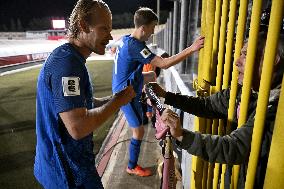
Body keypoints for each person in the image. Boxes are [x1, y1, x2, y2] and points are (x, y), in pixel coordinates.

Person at [150, 33, 284, 188]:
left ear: (273, 60)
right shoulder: (245, 92)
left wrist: (181, 135)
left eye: (245, 55)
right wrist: (166, 95)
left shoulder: (277, 109)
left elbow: (235, 147)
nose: (236, 62)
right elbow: (206, 105)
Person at [34, 0, 136, 188]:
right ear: (82, 25)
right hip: (68, 174)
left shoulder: (71, 58)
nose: (110, 36)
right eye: (104, 29)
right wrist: (117, 102)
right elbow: (78, 127)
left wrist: (117, 99)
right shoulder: (67, 64)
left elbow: (84, 104)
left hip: (67, 169)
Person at [112, 7, 205, 177]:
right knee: (138, 131)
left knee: (150, 78)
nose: (153, 32)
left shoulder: (126, 40)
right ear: (143, 28)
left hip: (126, 87)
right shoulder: (135, 46)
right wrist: (191, 49)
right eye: (153, 28)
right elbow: (164, 63)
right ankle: (131, 166)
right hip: (125, 94)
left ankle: (149, 107)